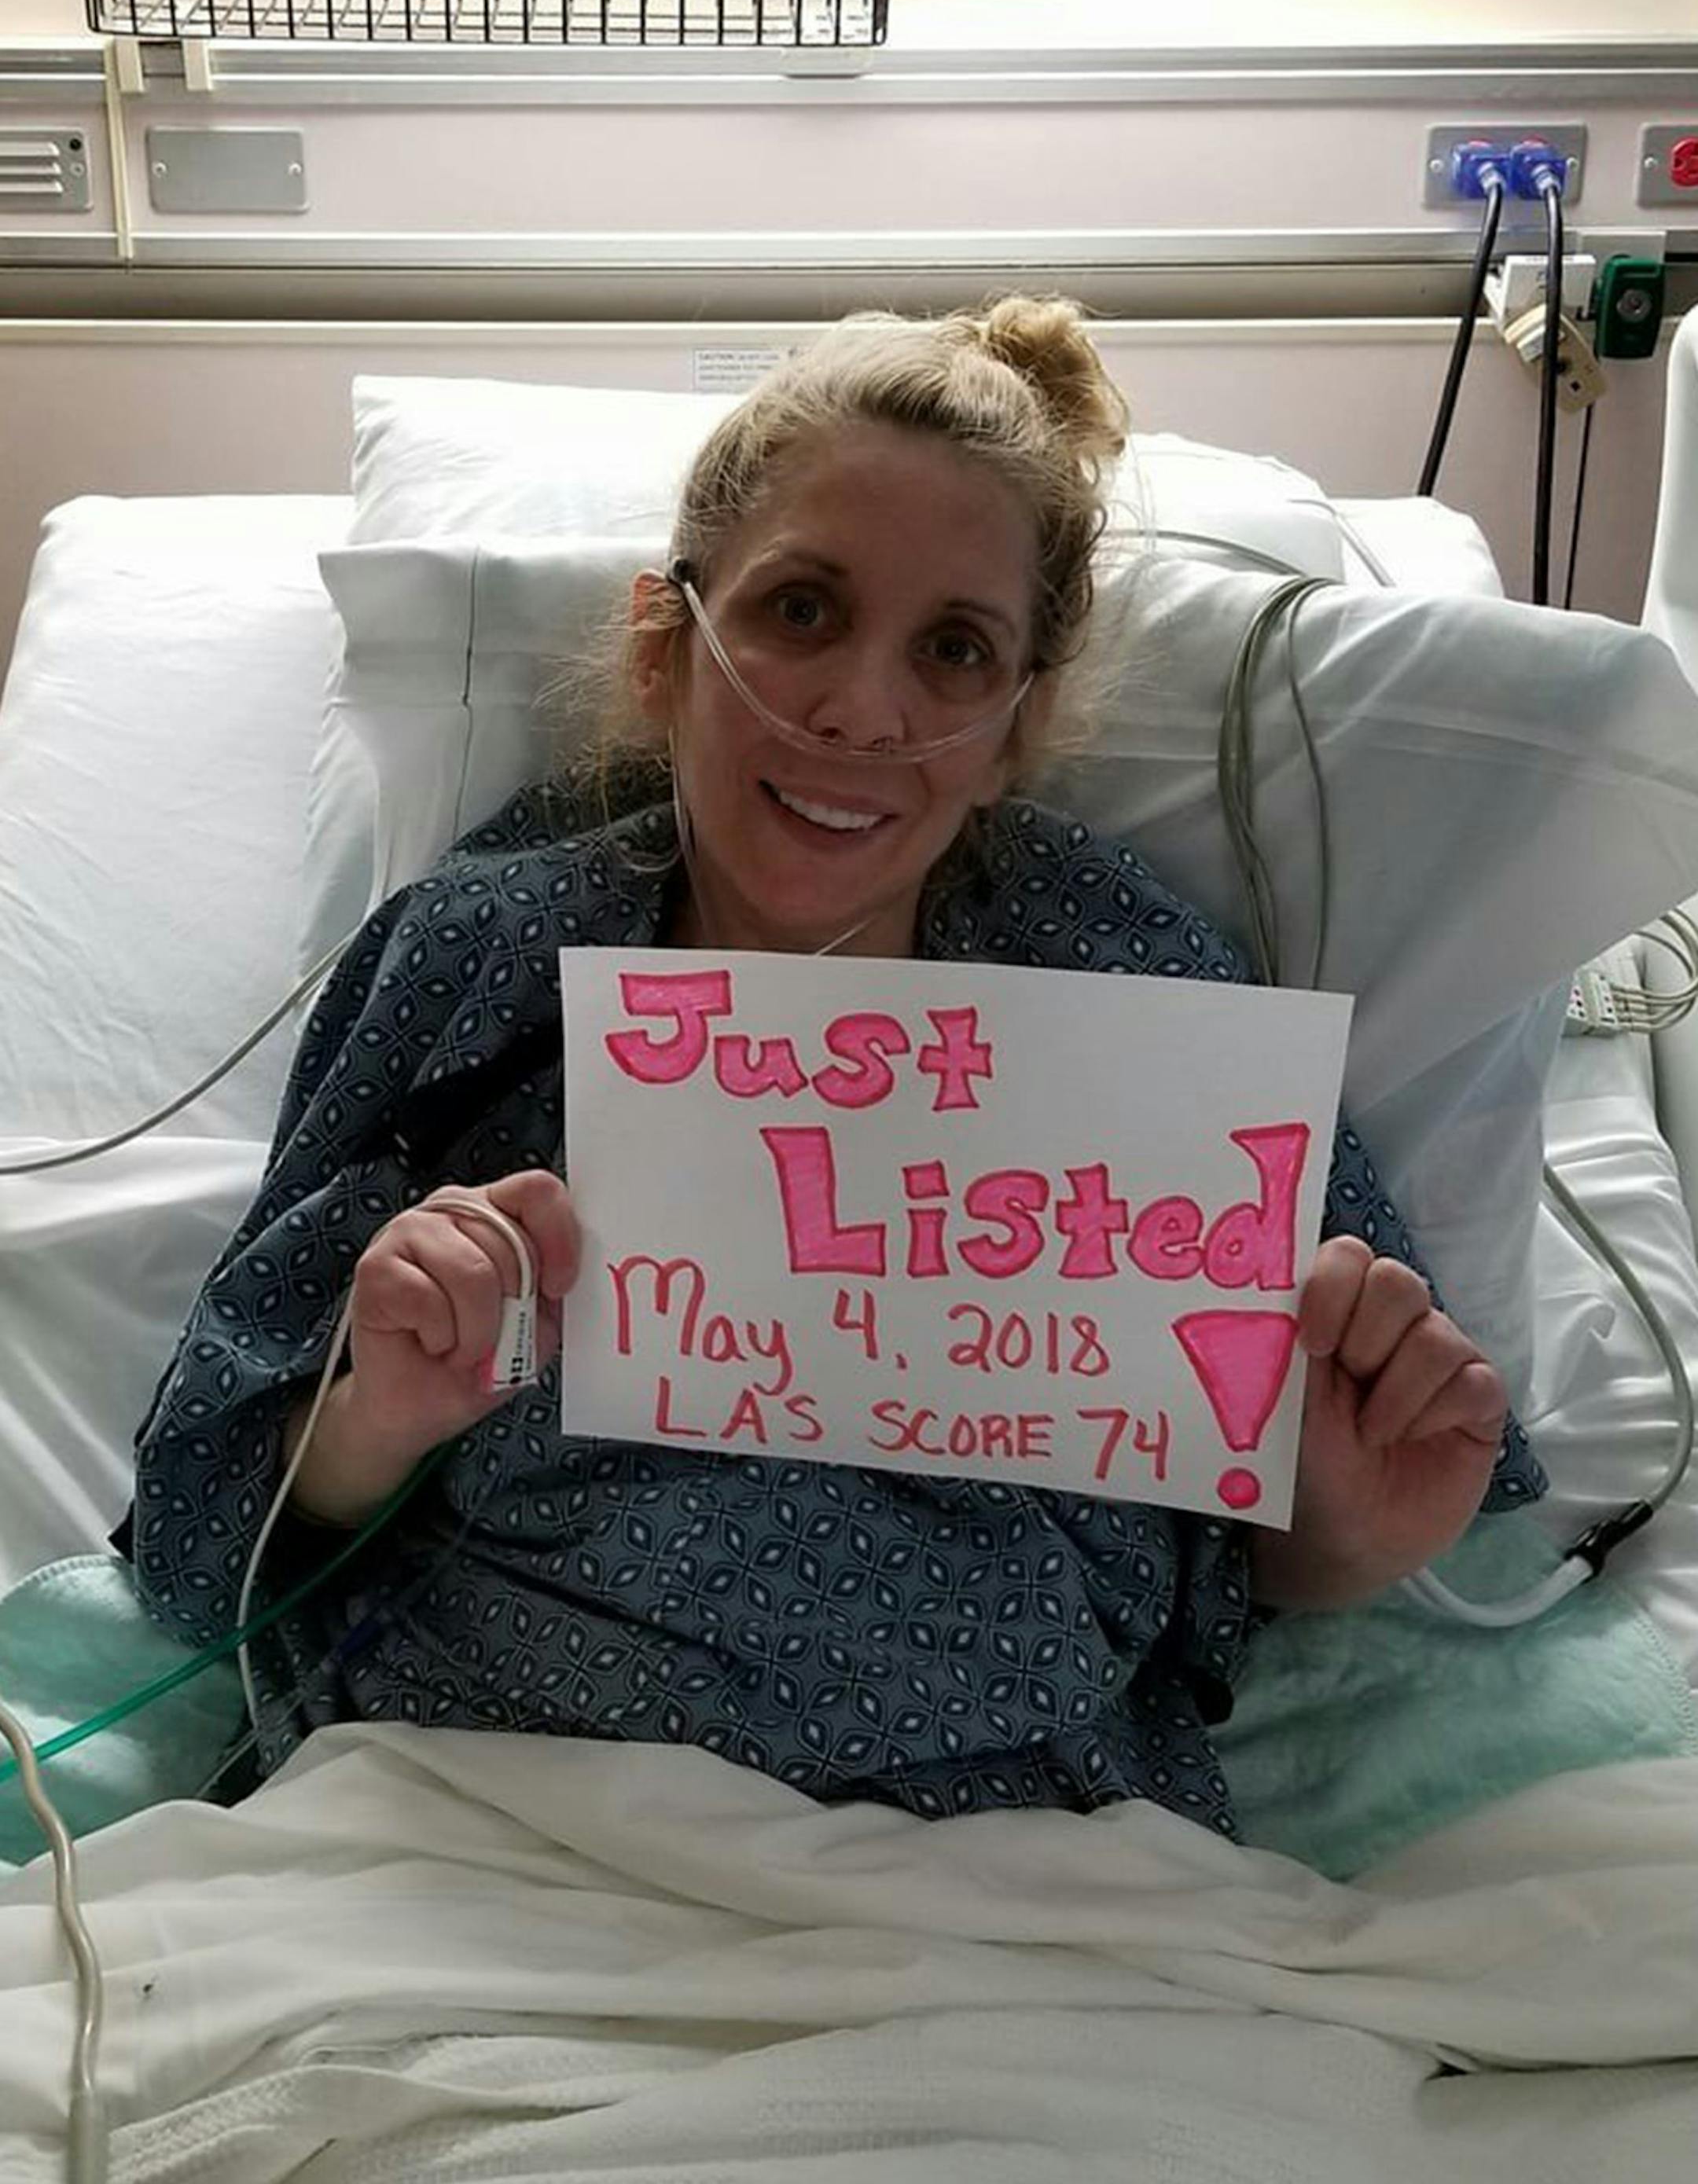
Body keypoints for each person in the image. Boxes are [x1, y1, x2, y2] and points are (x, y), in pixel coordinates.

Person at [122, 299, 1544, 1835]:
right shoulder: (480, 963)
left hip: (1019, 1861)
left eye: (954, 649)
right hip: (482, 1803)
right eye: (804, 608)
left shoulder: (1145, 1001)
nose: (865, 707)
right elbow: (211, 1538)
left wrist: (1356, 1521)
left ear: (1016, 725)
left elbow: (1264, 1555)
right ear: (672, 641)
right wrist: (380, 1413)